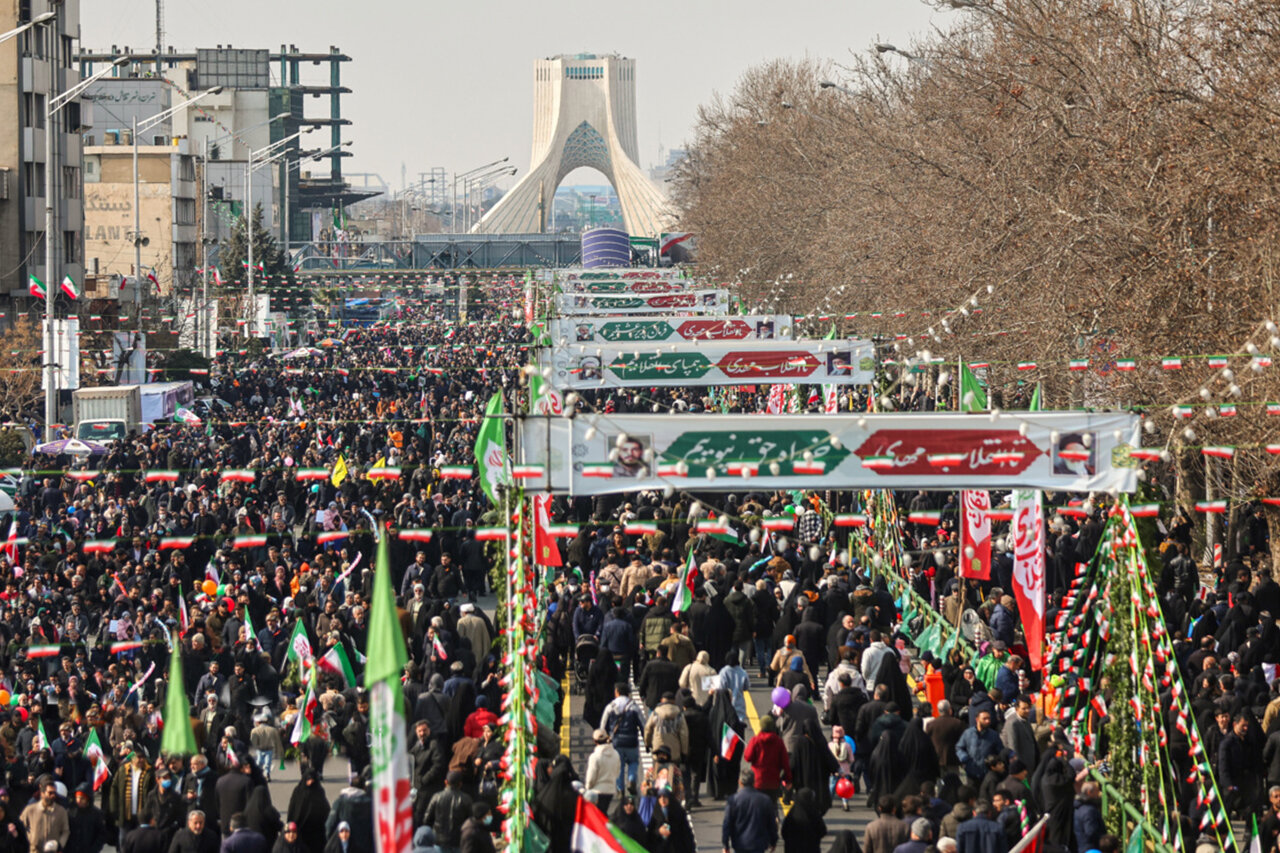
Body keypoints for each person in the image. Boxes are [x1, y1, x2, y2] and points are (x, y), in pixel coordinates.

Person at [599, 683, 646, 795]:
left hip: (616, 743)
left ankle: (620, 789)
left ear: (617, 692)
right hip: (632, 741)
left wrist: (603, 742)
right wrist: (646, 741)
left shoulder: (610, 707)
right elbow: (643, 724)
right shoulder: (634, 706)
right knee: (633, 762)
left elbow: (603, 726)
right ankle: (631, 780)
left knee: (618, 766)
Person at [721, 768, 778, 853]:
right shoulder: (765, 800)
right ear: (754, 782)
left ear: (740, 782)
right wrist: (773, 842)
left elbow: (727, 824)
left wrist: (725, 845)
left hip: (740, 845)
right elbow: (772, 824)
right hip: (759, 845)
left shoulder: (733, 800)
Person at [425, 771, 472, 853]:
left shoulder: (437, 797)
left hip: (439, 841)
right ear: (460, 784)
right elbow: (471, 821)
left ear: (446, 782)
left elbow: (427, 819)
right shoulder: (467, 799)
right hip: (459, 840)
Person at [20, 779, 68, 853]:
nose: (53, 795)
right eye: (50, 793)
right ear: (42, 793)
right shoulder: (30, 810)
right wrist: (30, 838)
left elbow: (66, 831)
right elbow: (20, 826)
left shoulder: (61, 811)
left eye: (54, 793)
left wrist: (60, 846)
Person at [585, 730, 622, 815]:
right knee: (603, 812)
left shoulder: (594, 757)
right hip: (610, 790)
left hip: (597, 790)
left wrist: (588, 788)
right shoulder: (615, 754)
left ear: (595, 741)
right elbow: (617, 772)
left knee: (596, 815)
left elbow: (591, 777)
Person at [780, 787, 827, 853]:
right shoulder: (814, 814)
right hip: (811, 849)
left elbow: (784, 832)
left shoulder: (792, 814)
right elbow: (822, 831)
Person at [1073, 782, 1103, 853]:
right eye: (1097, 791)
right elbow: (1091, 832)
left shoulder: (1078, 808)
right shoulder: (1089, 810)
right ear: (1089, 792)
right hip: (1091, 849)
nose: (1098, 794)